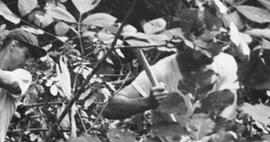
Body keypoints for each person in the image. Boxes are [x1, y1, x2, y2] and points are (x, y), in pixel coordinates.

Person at [102, 21, 239, 121]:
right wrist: (148, 102)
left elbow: (229, 104)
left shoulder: (226, 62)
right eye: (206, 45)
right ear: (188, 43)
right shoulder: (161, 72)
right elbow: (110, 108)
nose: (214, 52)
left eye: (219, 44)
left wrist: (212, 137)